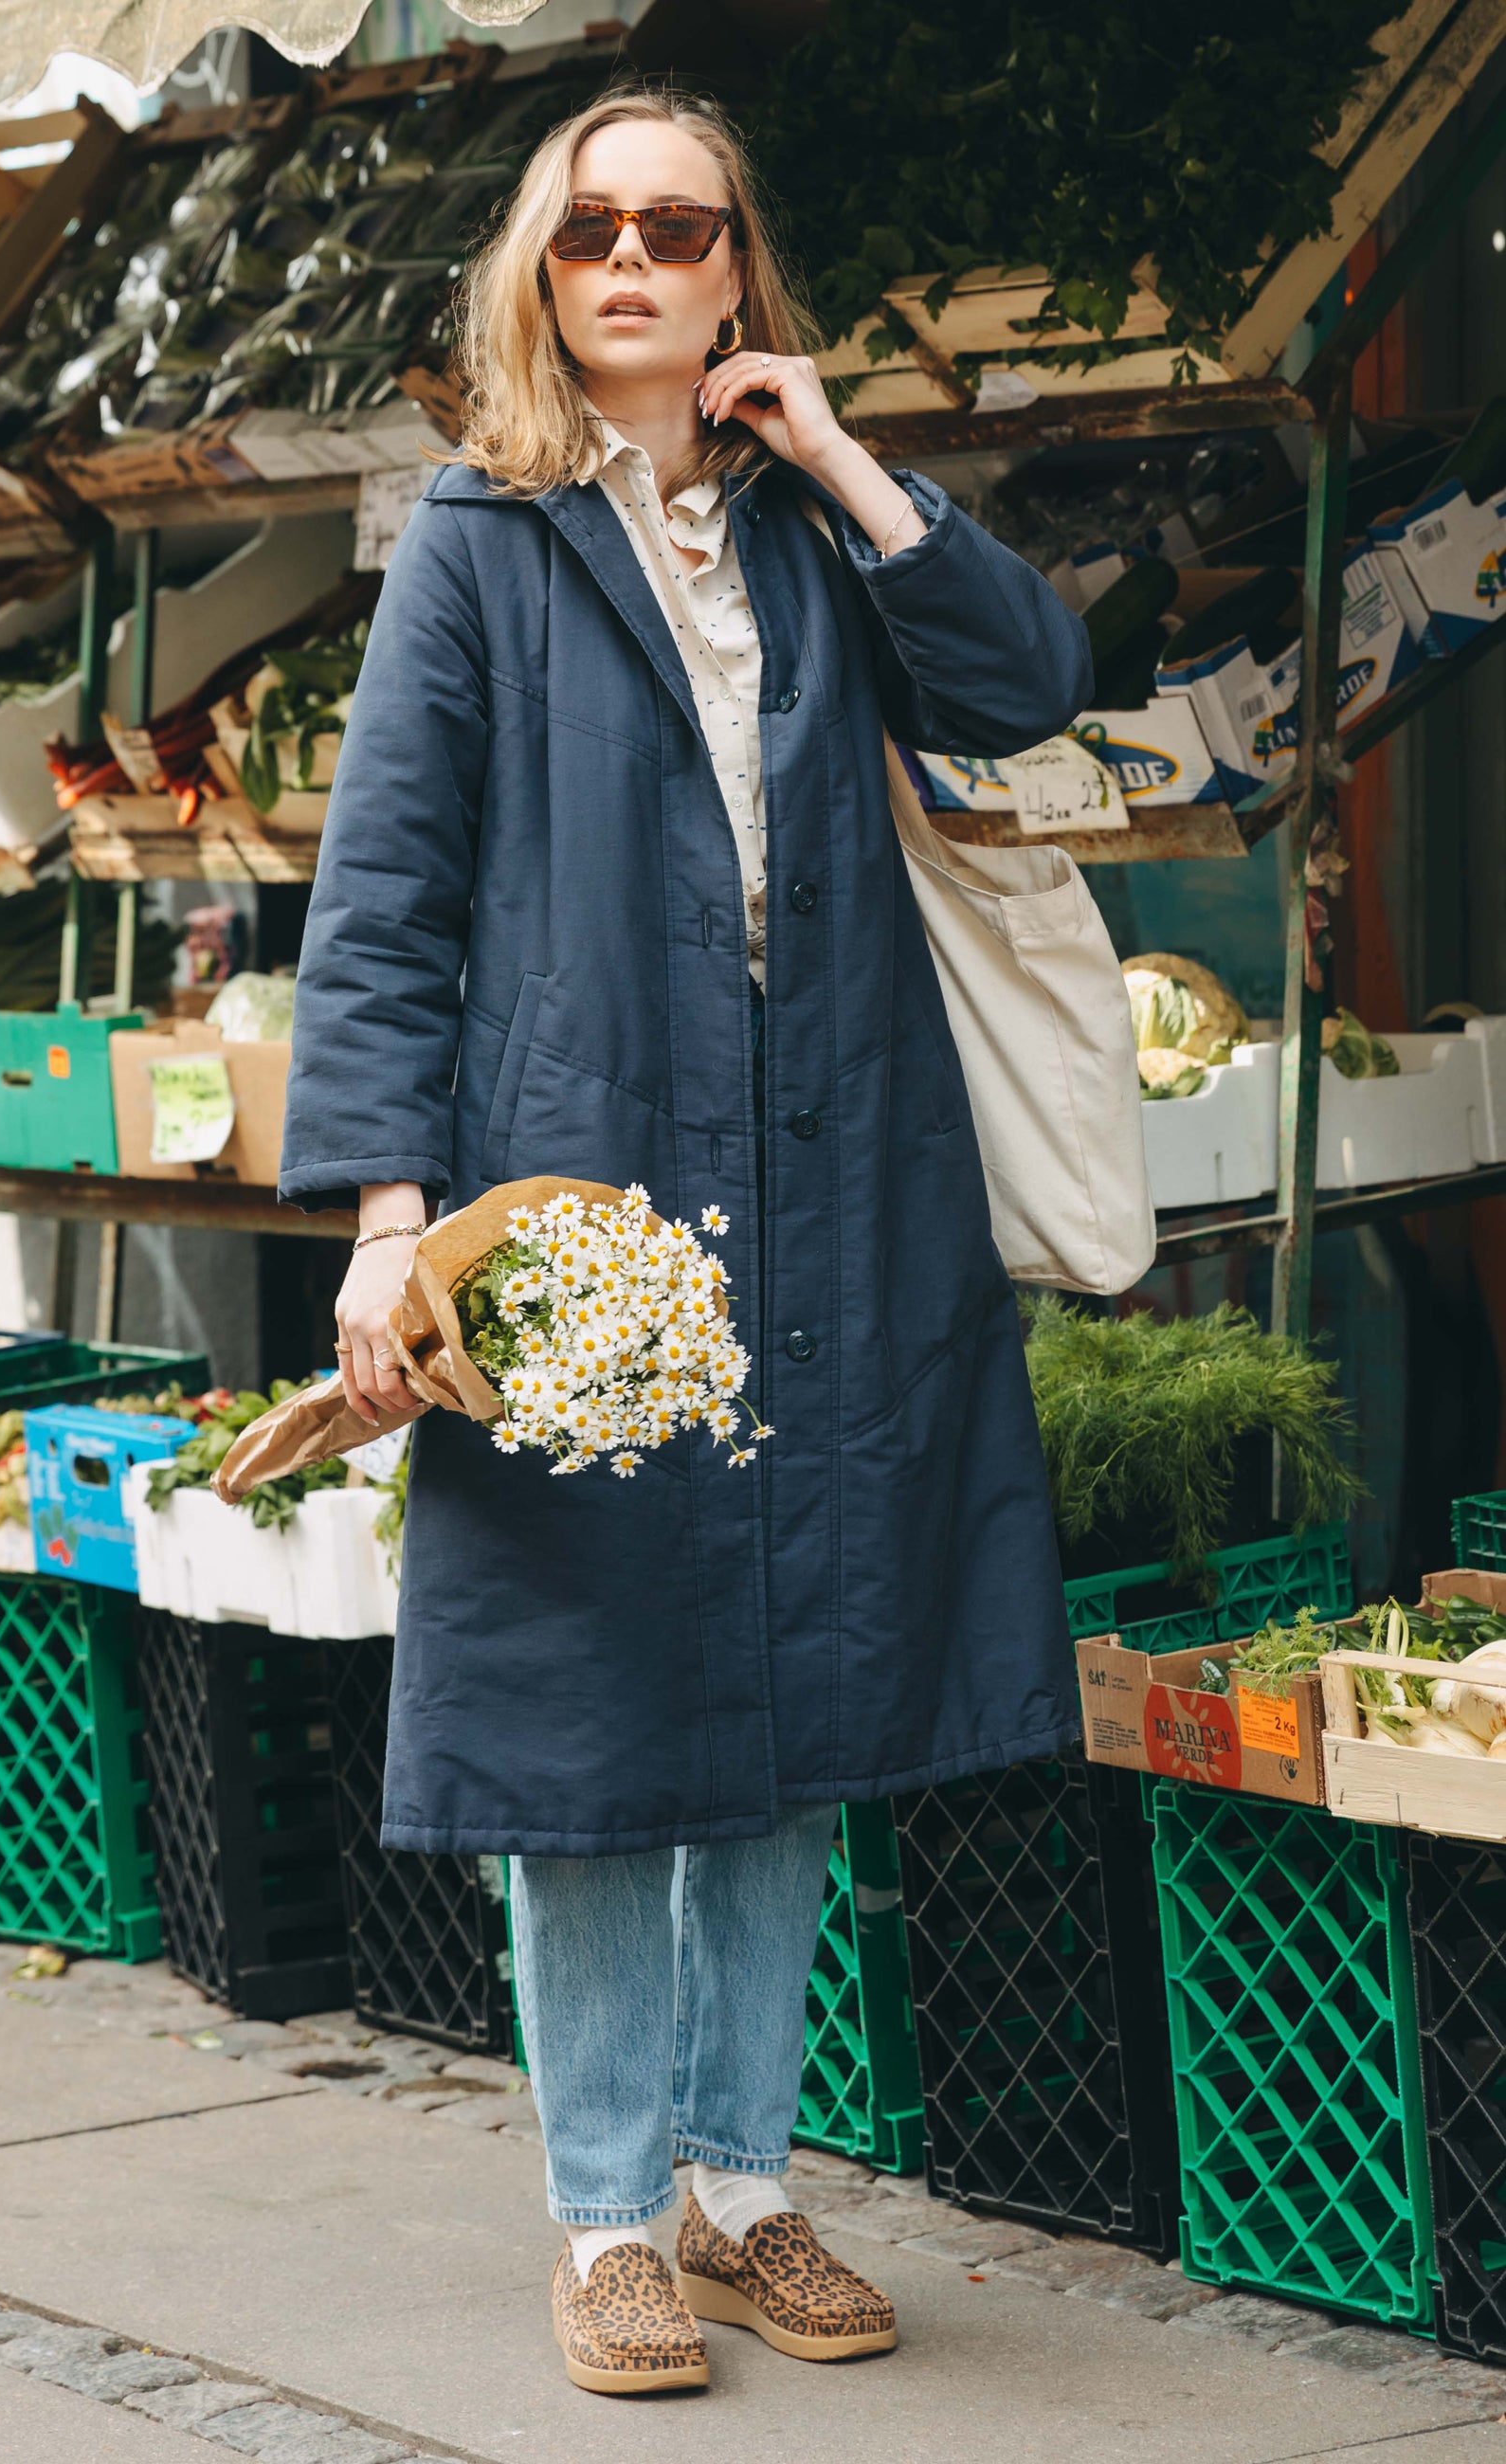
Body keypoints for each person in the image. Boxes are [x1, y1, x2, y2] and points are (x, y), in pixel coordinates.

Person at [281, 87, 1092, 2398]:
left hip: (835, 1188)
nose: (629, 261)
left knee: (795, 1703)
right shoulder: (479, 539)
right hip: (583, 1216)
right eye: (588, 230)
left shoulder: (833, 536)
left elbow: (1032, 684)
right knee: (597, 1719)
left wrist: (845, 455)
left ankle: (749, 2189)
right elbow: (386, 907)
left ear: (740, 267)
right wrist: (385, 1218)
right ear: (540, 272)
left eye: (680, 226)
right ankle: (612, 2216)